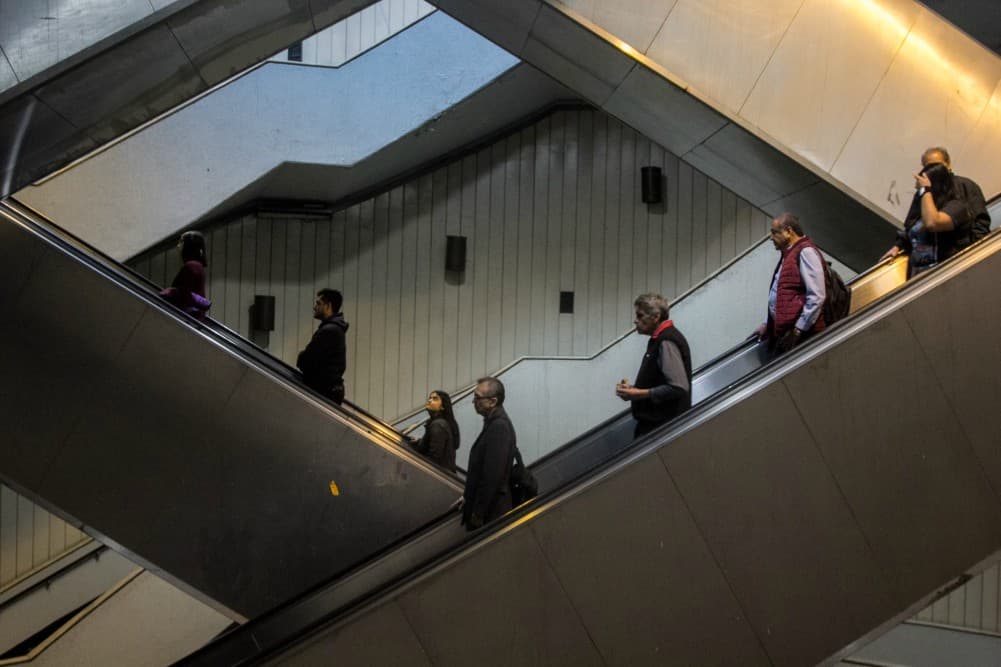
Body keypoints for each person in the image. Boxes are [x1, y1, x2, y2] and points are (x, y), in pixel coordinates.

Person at [616, 293, 692, 438]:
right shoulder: (659, 339)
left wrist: (639, 394)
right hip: (658, 426)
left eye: (640, 316)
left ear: (656, 317)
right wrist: (636, 390)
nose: (635, 321)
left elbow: (678, 387)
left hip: (662, 428)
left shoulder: (667, 340)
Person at [880, 161, 973, 276]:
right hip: (917, 273)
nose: (919, 192)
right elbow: (910, 227)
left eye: (921, 189)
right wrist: (898, 246)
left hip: (944, 273)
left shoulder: (957, 207)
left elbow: (932, 223)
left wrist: (926, 191)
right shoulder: (922, 202)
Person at [753, 213, 827, 355]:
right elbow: (782, 295)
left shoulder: (806, 252)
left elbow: (817, 296)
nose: (770, 237)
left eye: (774, 232)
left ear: (788, 231)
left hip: (802, 338)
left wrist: (799, 329)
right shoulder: (789, 254)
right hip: (787, 334)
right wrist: (768, 324)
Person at [458, 377, 514, 530]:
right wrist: (467, 497)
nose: (473, 401)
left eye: (477, 397)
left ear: (492, 401)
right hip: (488, 510)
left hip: (491, 513)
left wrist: (478, 513)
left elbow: (492, 476)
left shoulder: (499, 427)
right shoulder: (493, 423)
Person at [297, 289, 348, 404]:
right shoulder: (335, 329)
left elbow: (305, 360)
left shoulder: (329, 331)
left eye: (318, 303)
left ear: (328, 306)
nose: (315, 307)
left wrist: (301, 357)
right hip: (330, 390)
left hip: (323, 392)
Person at [159, 230, 211, 320]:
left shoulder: (191, 266)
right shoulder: (197, 265)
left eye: (181, 241)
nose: (178, 245)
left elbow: (184, 294)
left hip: (188, 318)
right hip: (195, 317)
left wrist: (171, 291)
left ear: (190, 245)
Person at [412, 389, 459, 472]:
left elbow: (434, 458)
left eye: (435, 399)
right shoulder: (440, 423)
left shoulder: (438, 425)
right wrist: (420, 441)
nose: (430, 400)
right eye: (430, 398)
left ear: (442, 406)